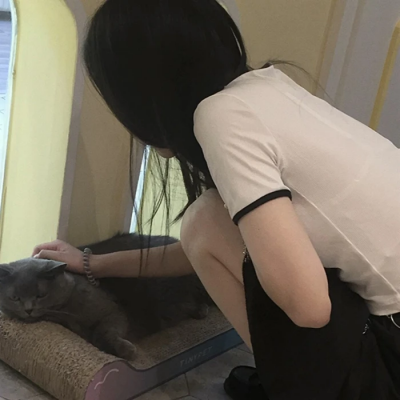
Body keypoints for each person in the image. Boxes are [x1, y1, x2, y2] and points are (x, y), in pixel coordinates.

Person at [33, 0, 400, 399]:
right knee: (209, 221)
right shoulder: (266, 86)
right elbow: (211, 247)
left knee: (203, 218)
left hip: (390, 354)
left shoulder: (221, 117)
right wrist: (93, 263)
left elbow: (310, 307)